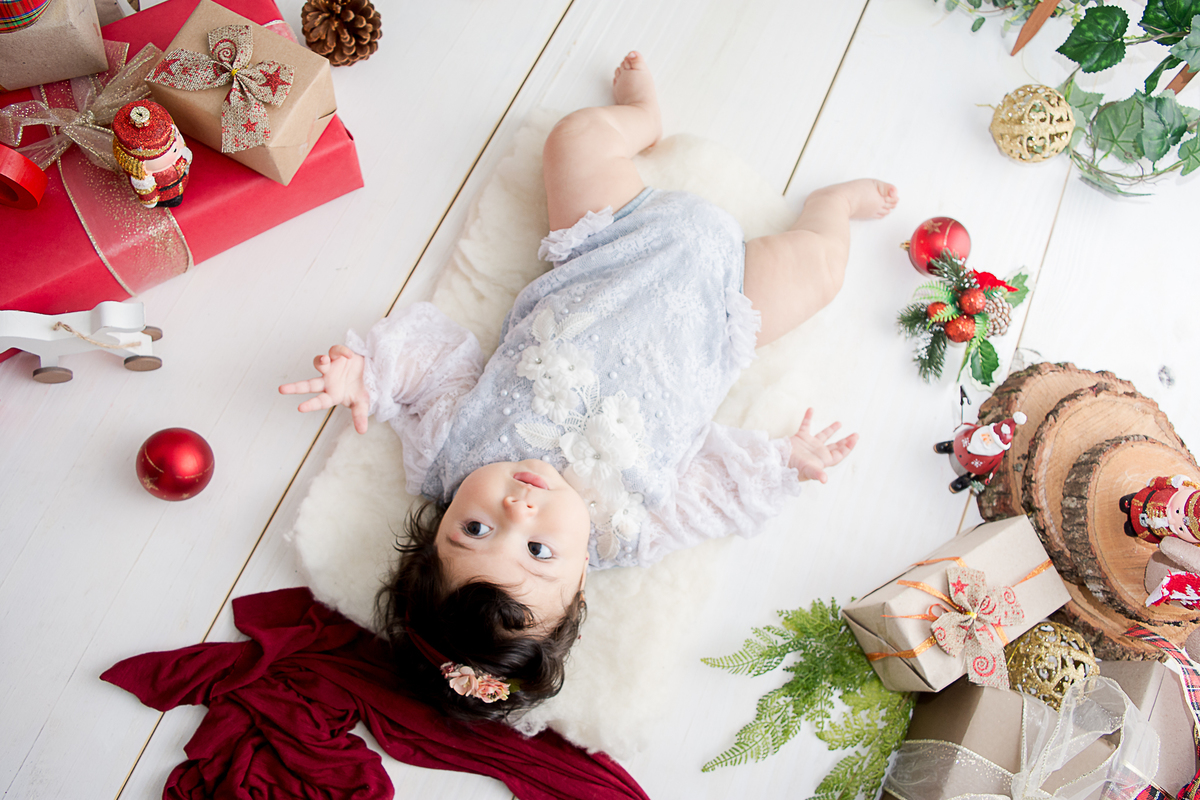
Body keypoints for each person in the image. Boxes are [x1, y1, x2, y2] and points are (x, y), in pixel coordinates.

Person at [280, 52, 897, 722]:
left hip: (609, 238)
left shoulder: (449, 453)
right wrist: (782, 463)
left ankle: (641, 118)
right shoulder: (624, 531)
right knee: (822, 274)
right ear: (578, 583)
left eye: (476, 527)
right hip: (729, 305)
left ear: (436, 531)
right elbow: (710, 493)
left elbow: (432, 361)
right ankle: (828, 209)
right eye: (538, 551)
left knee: (572, 139)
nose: (518, 512)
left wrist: (366, 373)